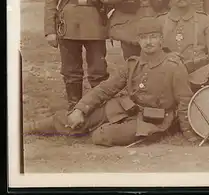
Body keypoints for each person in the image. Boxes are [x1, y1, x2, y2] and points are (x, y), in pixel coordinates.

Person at [24, 17, 198, 146]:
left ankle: (116, 128)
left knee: (101, 136)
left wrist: (189, 132)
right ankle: (31, 127)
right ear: (138, 41)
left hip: (153, 120)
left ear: (161, 39)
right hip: (125, 108)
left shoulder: (174, 66)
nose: (149, 42)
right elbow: (105, 88)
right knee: (77, 119)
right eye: (144, 38)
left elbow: (184, 101)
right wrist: (80, 108)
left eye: (153, 37)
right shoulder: (133, 64)